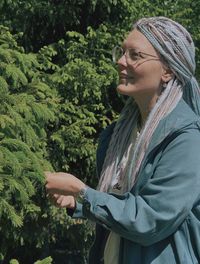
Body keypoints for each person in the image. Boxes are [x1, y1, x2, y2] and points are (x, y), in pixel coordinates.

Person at [45, 16, 200, 264]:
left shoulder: (186, 140)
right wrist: (80, 204)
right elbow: (121, 204)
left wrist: (83, 191)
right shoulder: (118, 135)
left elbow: (150, 219)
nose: (120, 61)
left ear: (168, 71)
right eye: (122, 51)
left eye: (135, 55)